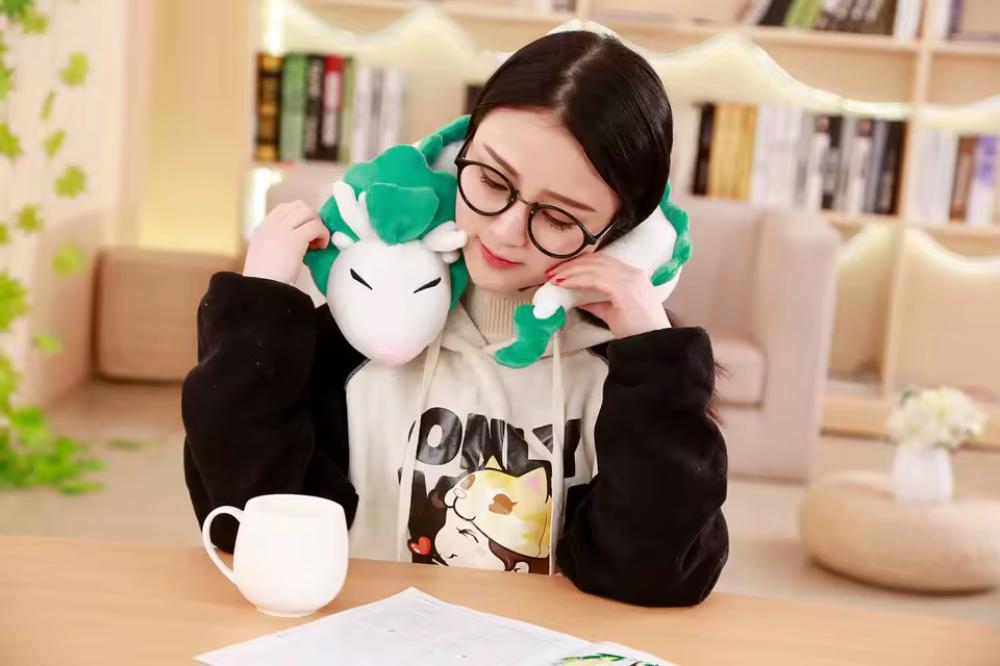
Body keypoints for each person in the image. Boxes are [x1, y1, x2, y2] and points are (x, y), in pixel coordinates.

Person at [182, 29, 728, 607]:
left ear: (624, 236)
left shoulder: (627, 377)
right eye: (490, 180)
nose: (505, 232)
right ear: (453, 157)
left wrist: (653, 351)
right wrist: (259, 305)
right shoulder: (365, 332)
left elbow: (652, 575)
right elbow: (241, 520)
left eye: (560, 218)